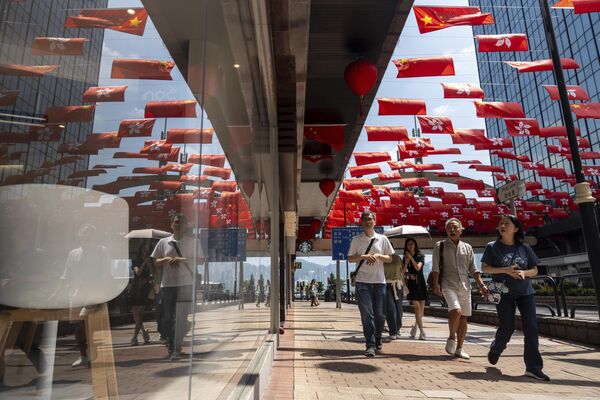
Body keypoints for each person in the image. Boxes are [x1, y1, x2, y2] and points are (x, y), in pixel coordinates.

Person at [481, 215, 549, 381]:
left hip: (526, 292)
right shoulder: (492, 247)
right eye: (501, 223)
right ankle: (496, 348)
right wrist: (505, 270)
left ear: (516, 228)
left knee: (531, 328)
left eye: (507, 223)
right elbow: (485, 268)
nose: (502, 225)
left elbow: (535, 270)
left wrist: (524, 273)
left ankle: (533, 368)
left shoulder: (524, 247)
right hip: (503, 292)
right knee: (507, 326)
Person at [431, 218, 488, 360]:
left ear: (461, 229)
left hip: (465, 286)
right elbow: (436, 267)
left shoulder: (467, 247)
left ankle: (459, 348)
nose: (452, 230)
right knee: (456, 311)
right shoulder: (440, 245)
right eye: (449, 227)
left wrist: (481, 285)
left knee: (463, 319)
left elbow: (473, 269)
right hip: (448, 284)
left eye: (455, 227)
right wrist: (436, 284)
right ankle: (451, 337)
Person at [151, 214, 202, 361]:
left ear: (186, 226)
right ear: (171, 225)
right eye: (176, 222)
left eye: (181, 223)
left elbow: (201, 261)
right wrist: (166, 260)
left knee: (180, 317)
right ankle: (172, 341)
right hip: (168, 285)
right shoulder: (163, 242)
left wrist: (182, 259)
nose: (178, 225)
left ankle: (175, 348)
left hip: (186, 284)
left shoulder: (194, 242)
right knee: (167, 318)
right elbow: (155, 262)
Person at [347, 211, 394, 357]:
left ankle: (378, 336)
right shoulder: (356, 239)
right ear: (361, 222)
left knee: (380, 314)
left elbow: (390, 258)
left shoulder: (382, 239)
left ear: (375, 221)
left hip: (379, 282)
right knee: (367, 314)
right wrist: (363, 256)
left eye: (370, 219)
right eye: (365, 219)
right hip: (362, 282)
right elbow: (350, 259)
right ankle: (370, 344)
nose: (368, 222)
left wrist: (379, 256)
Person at [130, 242, 153, 346]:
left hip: (145, 289)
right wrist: (144, 263)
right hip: (136, 288)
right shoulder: (135, 261)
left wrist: (149, 264)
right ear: (140, 250)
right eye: (144, 250)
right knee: (135, 313)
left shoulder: (150, 260)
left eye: (147, 250)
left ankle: (134, 337)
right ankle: (144, 333)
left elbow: (153, 274)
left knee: (140, 313)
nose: (145, 252)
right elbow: (138, 272)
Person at [403, 237, 427, 340]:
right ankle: (422, 332)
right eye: (408, 244)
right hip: (412, 284)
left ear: (415, 245)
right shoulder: (405, 258)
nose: (410, 246)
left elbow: (418, 268)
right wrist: (406, 262)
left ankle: (415, 328)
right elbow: (403, 272)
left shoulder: (420, 256)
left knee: (421, 311)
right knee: (417, 307)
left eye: (412, 244)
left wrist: (411, 258)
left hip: (421, 283)